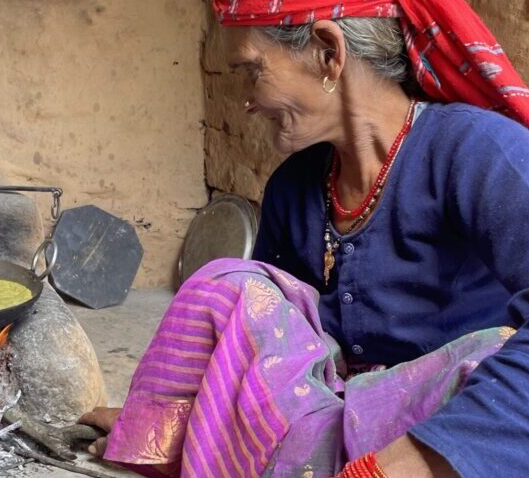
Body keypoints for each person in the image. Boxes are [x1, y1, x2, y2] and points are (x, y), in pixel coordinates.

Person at [79, 1, 529, 476]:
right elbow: (285, 354)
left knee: (489, 356)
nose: (246, 101)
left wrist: (400, 465)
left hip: (449, 432)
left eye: (253, 71)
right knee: (227, 288)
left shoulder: (480, 152)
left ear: (328, 53)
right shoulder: (293, 187)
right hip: (334, 420)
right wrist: (177, 422)